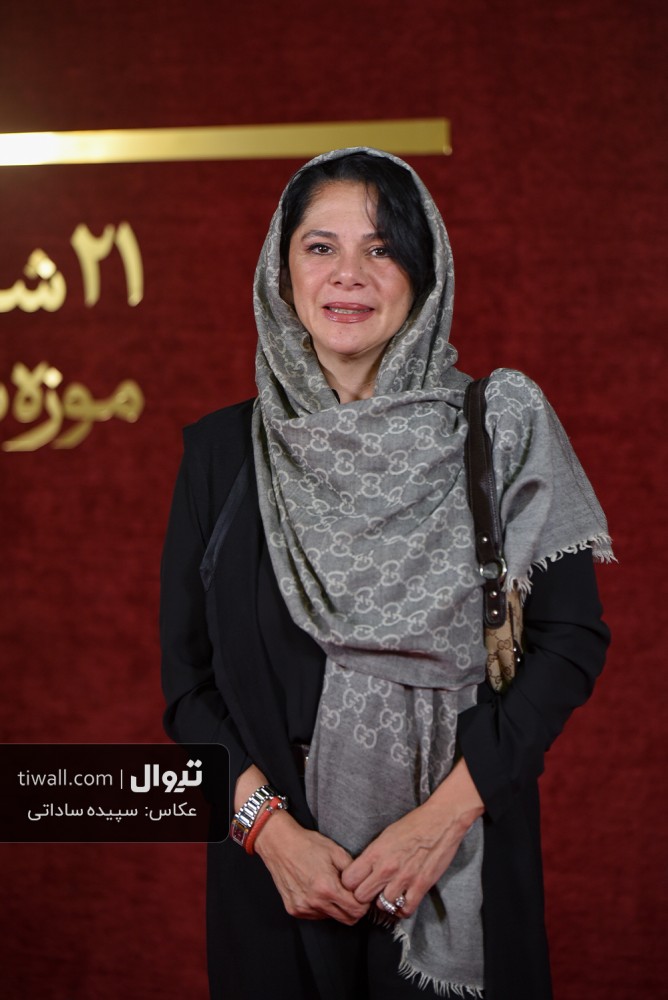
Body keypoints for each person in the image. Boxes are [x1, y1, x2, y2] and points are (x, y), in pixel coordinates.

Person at [161, 147, 612, 1000]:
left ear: (425, 273)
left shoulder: (497, 429)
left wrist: (440, 822)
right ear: (281, 272)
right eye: (320, 247)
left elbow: (569, 642)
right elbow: (188, 688)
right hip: (280, 885)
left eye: (383, 248)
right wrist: (270, 836)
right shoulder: (222, 455)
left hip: (458, 856)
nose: (349, 275)